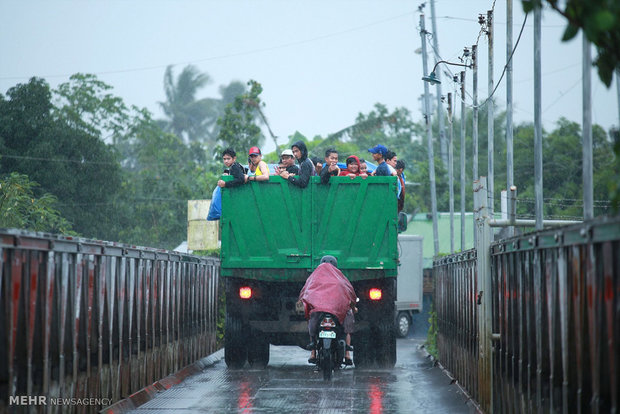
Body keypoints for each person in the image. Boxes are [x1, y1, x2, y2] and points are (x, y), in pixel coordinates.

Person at [299, 255, 357, 366]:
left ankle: (313, 352)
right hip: (337, 312)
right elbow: (350, 293)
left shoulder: (314, 277)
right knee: (347, 326)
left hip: (319, 310)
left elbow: (305, 291)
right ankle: (347, 354)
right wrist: (353, 306)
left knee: (312, 322)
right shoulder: (341, 278)